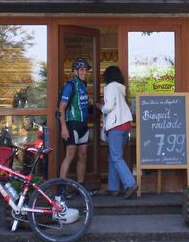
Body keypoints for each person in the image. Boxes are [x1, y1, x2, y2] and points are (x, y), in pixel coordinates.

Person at [98, 65, 138, 199]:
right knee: (113, 156)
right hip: (125, 124)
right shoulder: (121, 88)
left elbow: (109, 107)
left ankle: (130, 184)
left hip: (115, 125)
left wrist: (101, 108)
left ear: (108, 76)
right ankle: (113, 187)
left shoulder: (110, 87)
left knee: (115, 157)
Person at [58, 59, 92, 191]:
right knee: (70, 155)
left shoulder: (83, 85)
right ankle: (61, 190)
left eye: (86, 70)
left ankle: (81, 188)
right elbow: (61, 108)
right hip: (72, 124)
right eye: (82, 70)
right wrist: (63, 127)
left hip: (83, 124)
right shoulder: (70, 86)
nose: (84, 72)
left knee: (83, 155)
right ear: (75, 71)